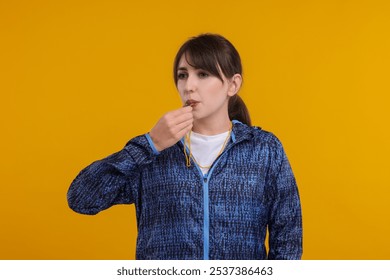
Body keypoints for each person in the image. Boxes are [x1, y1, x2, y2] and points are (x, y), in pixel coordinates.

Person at [67, 33, 303, 260]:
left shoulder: (264, 150)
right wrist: (150, 144)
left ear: (233, 84)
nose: (189, 86)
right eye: (182, 75)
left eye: (202, 74)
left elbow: (288, 241)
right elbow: (82, 198)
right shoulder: (153, 152)